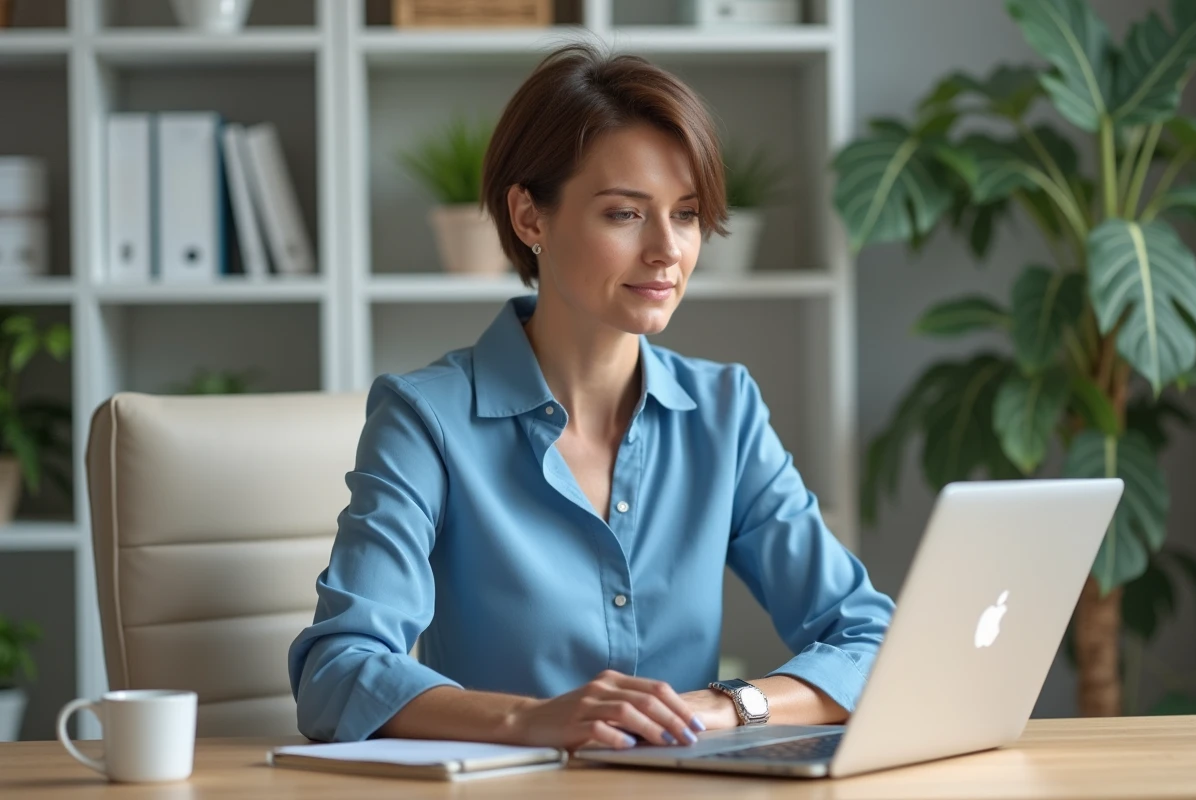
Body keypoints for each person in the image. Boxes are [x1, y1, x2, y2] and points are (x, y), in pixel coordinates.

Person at [288, 42, 894, 752]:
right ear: (529, 217)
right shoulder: (426, 420)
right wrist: (528, 720)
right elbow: (338, 671)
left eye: (688, 213)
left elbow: (871, 640)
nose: (668, 249)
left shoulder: (725, 412)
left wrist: (722, 708)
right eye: (624, 214)